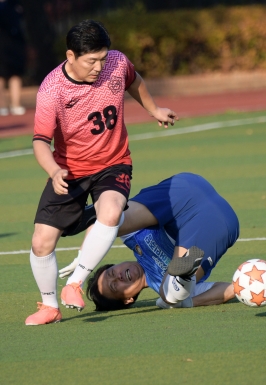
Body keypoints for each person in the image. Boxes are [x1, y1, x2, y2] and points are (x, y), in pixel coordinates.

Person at [25, 19, 178, 326]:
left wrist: (154, 109)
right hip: (70, 171)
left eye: (102, 59)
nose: (99, 66)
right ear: (71, 57)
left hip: (114, 162)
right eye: (91, 61)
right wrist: (54, 170)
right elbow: (41, 141)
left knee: (110, 211)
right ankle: (49, 306)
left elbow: (135, 81)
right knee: (42, 242)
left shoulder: (117, 63)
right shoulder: (52, 89)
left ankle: (75, 284)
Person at [59, 172, 239, 312]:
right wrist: (241, 287)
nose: (118, 276)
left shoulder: (132, 239)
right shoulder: (158, 283)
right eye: (115, 285)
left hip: (184, 190)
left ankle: (93, 212)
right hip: (214, 224)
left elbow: (105, 230)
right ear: (128, 300)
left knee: (114, 224)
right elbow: (223, 289)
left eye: (112, 272)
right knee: (170, 295)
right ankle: (180, 281)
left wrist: (83, 257)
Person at [0, 0, 26, 116]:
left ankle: (16, 104)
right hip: (2, 44)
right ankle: (2, 106)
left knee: (15, 73)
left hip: (14, 44)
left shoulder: (14, 4)